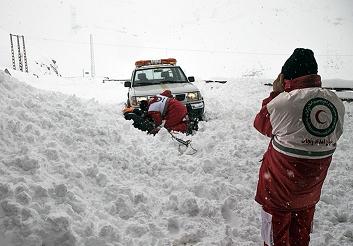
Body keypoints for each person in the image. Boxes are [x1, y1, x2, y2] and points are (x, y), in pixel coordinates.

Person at [253, 48, 345, 246]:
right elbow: (335, 134)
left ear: (288, 76)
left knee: (275, 239)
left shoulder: (283, 103)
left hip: (277, 192)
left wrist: (276, 93)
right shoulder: (336, 102)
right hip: (309, 192)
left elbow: (260, 123)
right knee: (301, 238)